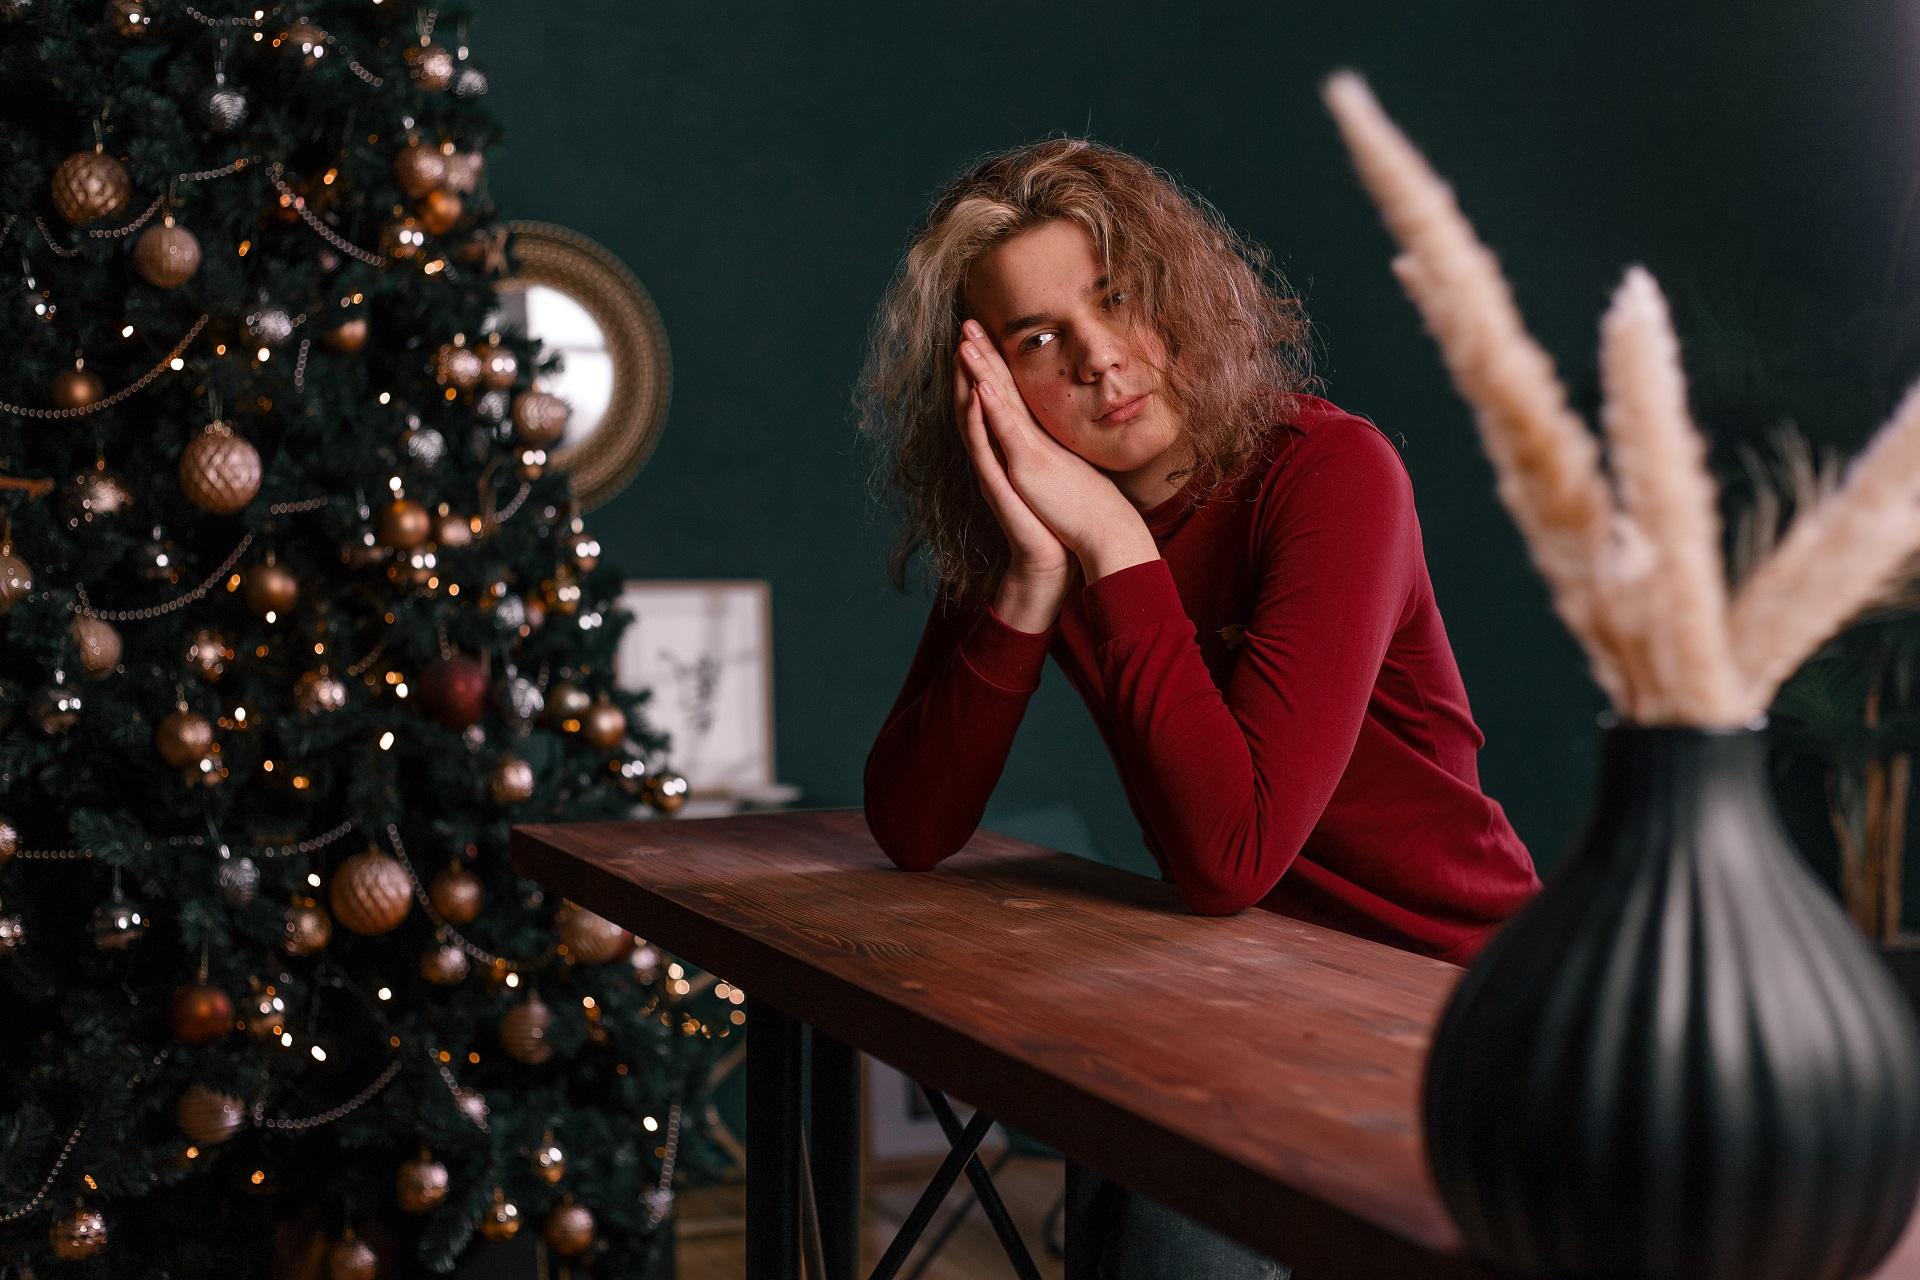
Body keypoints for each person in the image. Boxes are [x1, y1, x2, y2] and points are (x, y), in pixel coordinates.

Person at [854, 137, 1541, 1280]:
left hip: (1461, 998)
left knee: (1172, 1216)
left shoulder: (1329, 471)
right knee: (1128, 1169)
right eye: (1038, 340)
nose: (1100, 357)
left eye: (1117, 296)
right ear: (991, 389)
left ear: (1178, 295)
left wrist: (1113, 543)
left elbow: (1233, 854)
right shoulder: (1042, 522)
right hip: (1255, 989)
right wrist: (1030, 576)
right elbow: (913, 824)